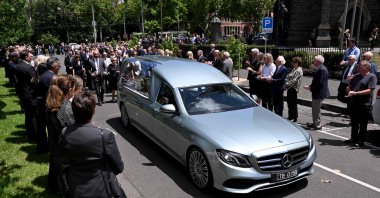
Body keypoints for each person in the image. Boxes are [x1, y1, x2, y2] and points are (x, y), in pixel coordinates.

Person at [58, 91, 126, 198]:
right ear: (93, 110)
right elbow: (118, 166)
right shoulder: (104, 135)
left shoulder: (65, 133)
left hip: (75, 188)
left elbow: (63, 162)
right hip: (101, 188)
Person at [45, 74, 76, 193]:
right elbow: (72, 130)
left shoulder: (53, 102)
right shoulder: (65, 109)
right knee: (62, 174)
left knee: (55, 166)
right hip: (62, 147)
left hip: (54, 143)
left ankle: (53, 187)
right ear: (70, 89)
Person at [344, 60, 377, 147]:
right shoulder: (357, 76)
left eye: (360, 66)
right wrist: (349, 90)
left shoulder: (371, 77)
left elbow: (370, 90)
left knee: (363, 123)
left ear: (366, 67)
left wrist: (356, 93)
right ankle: (353, 138)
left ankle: (361, 140)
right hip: (354, 102)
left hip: (364, 103)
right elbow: (349, 86)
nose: (358, 67)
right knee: (354, 122)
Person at [35, 57, 61, 154]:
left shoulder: (45, 75)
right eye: (59, 66)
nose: (59, 68)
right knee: (52, 130)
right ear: (54, 67)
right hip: (48, 107)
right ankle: (50, 148)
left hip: (43, 106)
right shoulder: (51, 78)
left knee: (44, 129)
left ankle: (44, 147)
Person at [14, 50, 37, 142]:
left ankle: (29, 134)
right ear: (26, 57)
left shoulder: (17, 66)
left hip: (23, 93)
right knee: (33, 117)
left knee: (28, 116)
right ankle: (34, 136)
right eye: (30, 56)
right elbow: (34, 82)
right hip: (30, 94)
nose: (31, 57)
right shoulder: (29, 68)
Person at [303, 55, 330, 130]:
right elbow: (316, 81)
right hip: (317, 92)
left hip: (319, 93)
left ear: (318, 61)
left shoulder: (322, 69)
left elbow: (320, 83)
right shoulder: (320, 68)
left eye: (314, 60)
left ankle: (317, 125)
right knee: (315, 109)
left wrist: (310, 88)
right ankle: (315, 122)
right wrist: (310, 86)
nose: (313, 61)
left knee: (316, 109)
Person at [283, 57, 303, 122]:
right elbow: (288, 76)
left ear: (297, 63)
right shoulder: (294, 69)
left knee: (293, 103)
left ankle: (294, 117)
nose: (292, 63)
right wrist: (286, 83)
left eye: (294, 62)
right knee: (289, 103)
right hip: (290, 88)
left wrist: (286, 85)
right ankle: (290, 116)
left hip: (293, 88)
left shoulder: (299, 70)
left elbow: (294, 81)